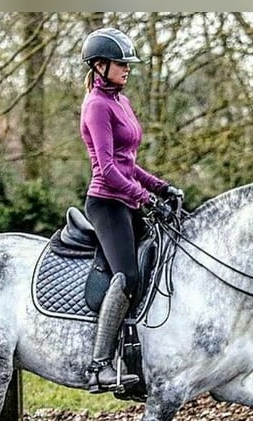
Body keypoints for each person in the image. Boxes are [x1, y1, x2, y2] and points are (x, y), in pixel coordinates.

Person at [79, 27, 184, 394]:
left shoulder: (121, 102)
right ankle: (99, 366)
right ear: (99, 65)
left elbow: (129, 163)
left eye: (128, 64)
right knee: (126, 275)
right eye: (121, 63)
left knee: (160, 260)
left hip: (127, 196)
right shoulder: (96, 106)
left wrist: (161, 187)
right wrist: (145, 199)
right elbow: (108, 170)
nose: (127, 69)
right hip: (107, 203)